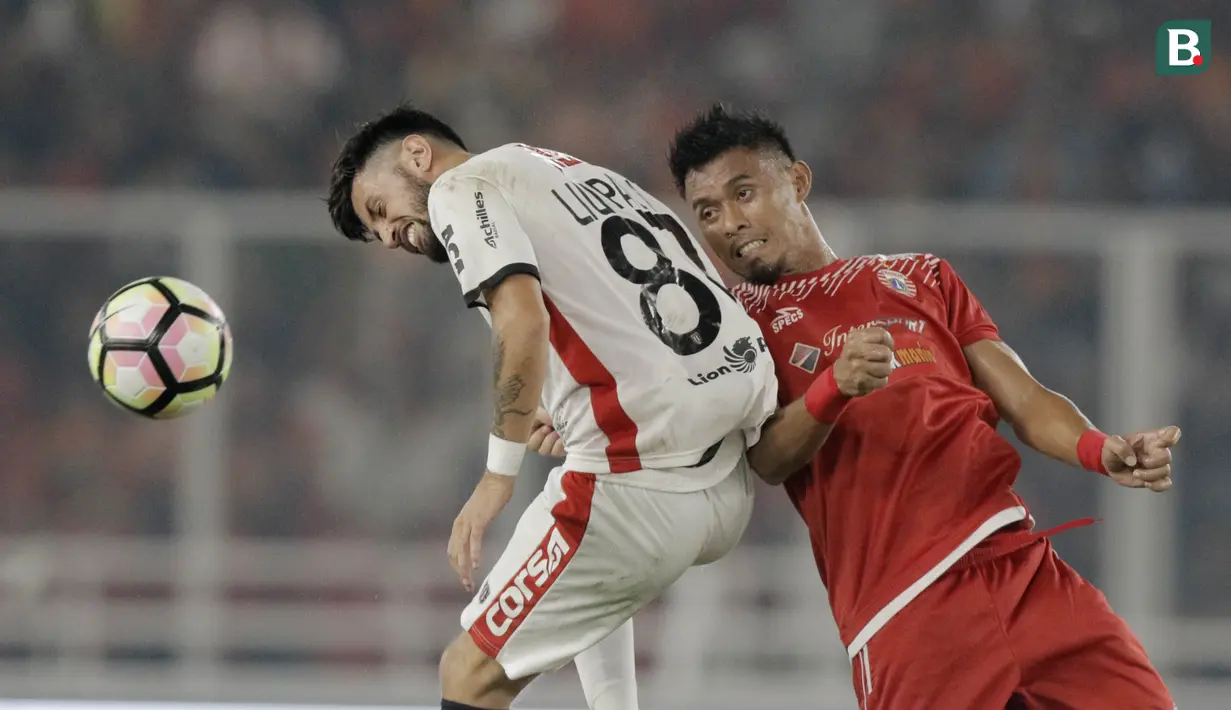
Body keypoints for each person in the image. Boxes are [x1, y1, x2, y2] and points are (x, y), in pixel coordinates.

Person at [325, 105, 869, 710]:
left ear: (418, 155)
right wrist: (579, 403)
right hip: (725, 478)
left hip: (644, 487)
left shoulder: (459, 188)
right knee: (593, 570)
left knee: (467, 673)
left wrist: (495, 478)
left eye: (379, 209)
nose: (389, 235)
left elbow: (521, 321)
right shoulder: (583, 175)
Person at [652, 103, 1181, 709]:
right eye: (708, 213)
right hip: (907, 608)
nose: (730, 224)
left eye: (744, 193)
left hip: (1021, 567)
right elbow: (766, 459)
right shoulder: (735, 329)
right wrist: (833, 388)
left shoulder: (922, 276)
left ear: (798, 181)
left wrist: (1100, 447)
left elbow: (1025, 399)